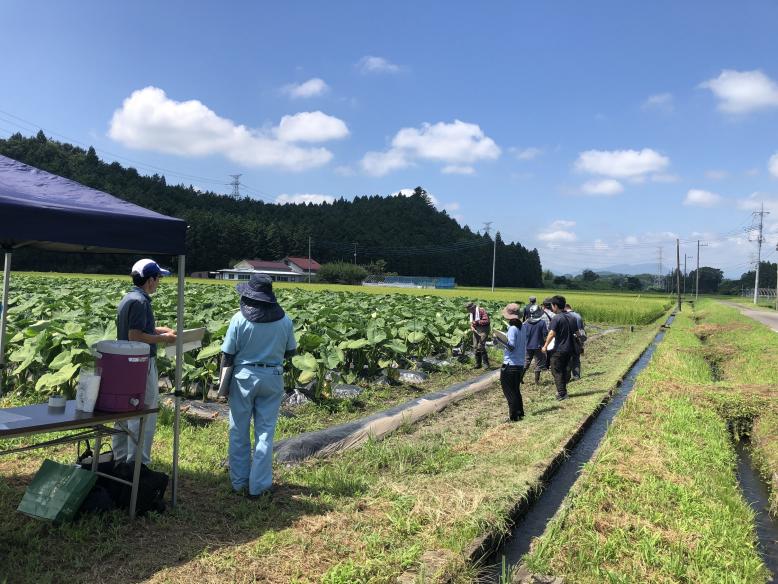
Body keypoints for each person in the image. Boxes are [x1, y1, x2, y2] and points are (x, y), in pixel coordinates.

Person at [220, 274, 296, 497]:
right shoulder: (285, 320)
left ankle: (239, 483)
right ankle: (259, 487)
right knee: (265, 433)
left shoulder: (239, 319)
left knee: (238, 430)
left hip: (244, 377)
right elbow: (291, 352)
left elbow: (228, 354)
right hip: (272, 376)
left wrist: (222, 386)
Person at [113, 259, 177, 466]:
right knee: (144, 413)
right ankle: (138, 464)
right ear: (150, 280)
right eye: (158, 278)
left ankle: (120, 460)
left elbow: (135, 328)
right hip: (140, 363)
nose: (159, 282)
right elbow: (135, 335)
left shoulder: (129, 298)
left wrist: (160, 329)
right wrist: (163, 339)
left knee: (123, 411)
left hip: (124, 363)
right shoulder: (140, 302)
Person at [541, 295, 578, 401]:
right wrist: (580, 345)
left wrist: (545, 346)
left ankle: (562, 394)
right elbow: (577, 333)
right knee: (565, 370)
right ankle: (562, 390)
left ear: (555, 306)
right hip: (570, 349)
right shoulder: (572, 317)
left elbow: (552, 333)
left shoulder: (556, 318)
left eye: (552, 305)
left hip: (559, 349)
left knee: (556, 370)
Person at [495, 303, 526, 421]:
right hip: (519, 364)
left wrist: (499, 339)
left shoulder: (512, 329)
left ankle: (514, 416)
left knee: (509, 391)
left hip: (510, 364)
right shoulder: (523, 327)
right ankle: (520, 412)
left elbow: (511, 346)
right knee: (516, 389)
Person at [522, 305, 549, 384]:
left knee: (526, 362)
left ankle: (520, 378)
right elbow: (545, 334)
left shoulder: (526, 323)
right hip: (538, 345)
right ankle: (536, 381)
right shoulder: (541, 323)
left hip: (528, 346)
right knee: (538, 363)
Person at [467, 302, 491, 369]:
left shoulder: (481, 310)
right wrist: (472, 326)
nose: (468, 311)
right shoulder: (471, 313)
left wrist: (477, 322)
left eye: (469, 309)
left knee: (480, 346)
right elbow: (471, 322)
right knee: (475, 346)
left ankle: (486, 364)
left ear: (473, 308)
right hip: (476, 329)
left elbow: (487, 321)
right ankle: (478, 364)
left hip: (484, 329)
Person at [565, 303, 586, 380]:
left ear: (565, 308)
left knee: (568, 359)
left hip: (568, 341)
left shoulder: (565, 316)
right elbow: (581, 331)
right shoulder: (578, 316)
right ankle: (576, 376)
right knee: (576, 358)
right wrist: (582, 344)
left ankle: (567, 377)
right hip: (577, 340)